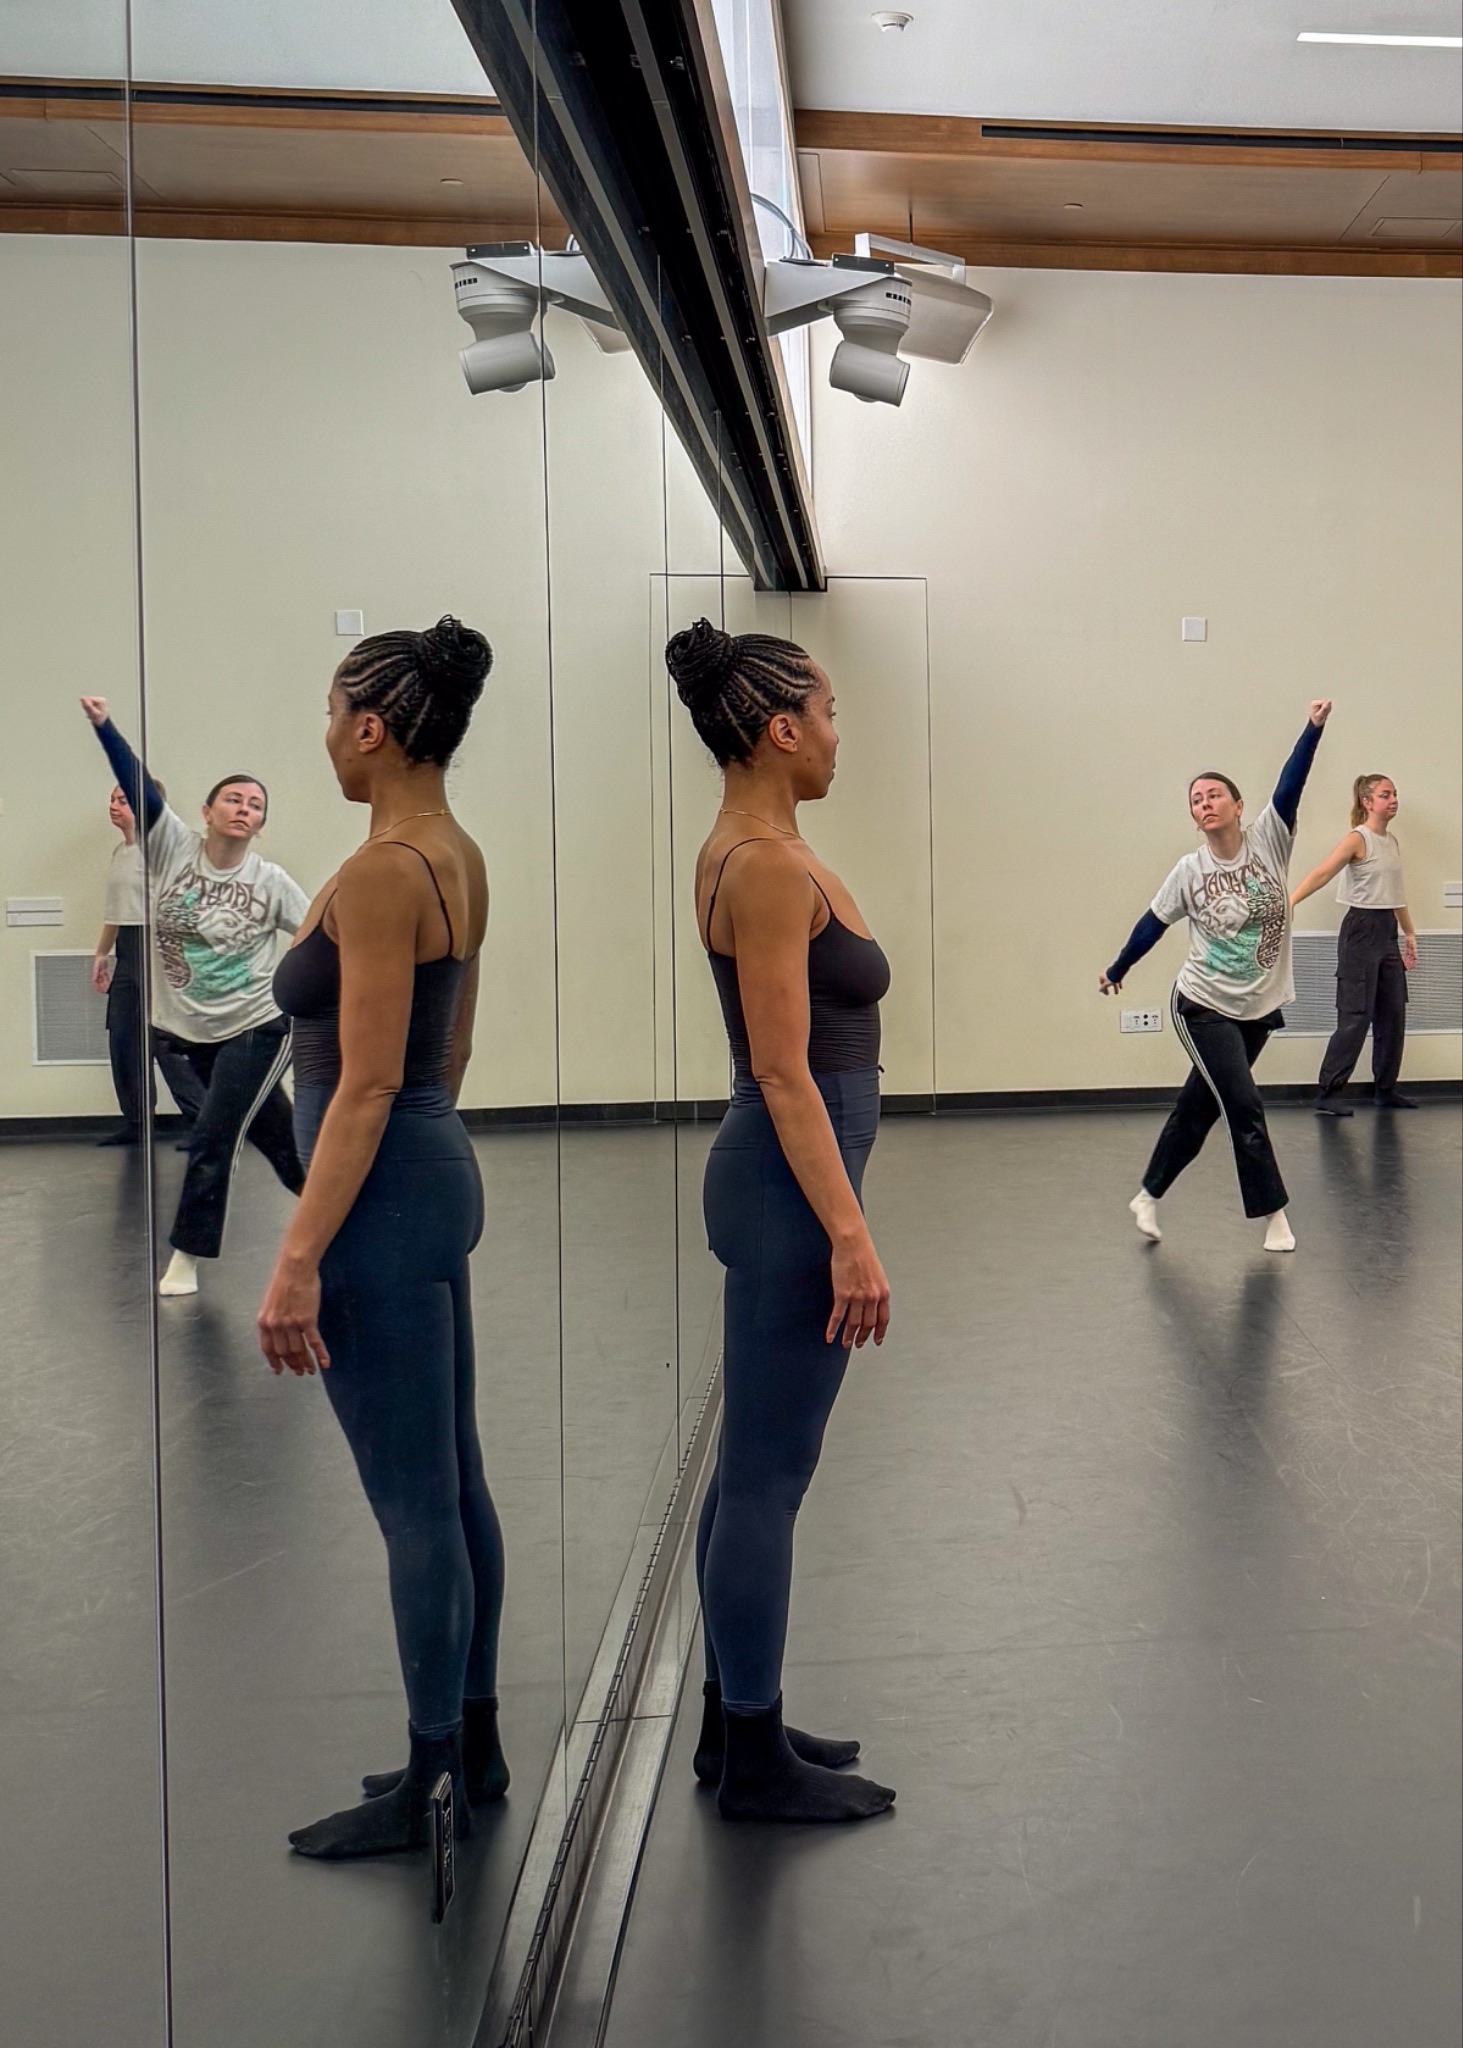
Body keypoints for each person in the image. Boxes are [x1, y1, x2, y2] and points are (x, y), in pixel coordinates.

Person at [259, 617, 507, 1862]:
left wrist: (298, 1253)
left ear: (372, 727)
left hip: (378, 1195)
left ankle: (425, 1779)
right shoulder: (449, 851)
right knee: (452, 1479)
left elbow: (357, 1087)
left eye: (329, 710)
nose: (322, 735)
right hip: (432, 1167)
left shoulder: (375, 873)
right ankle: (474, 1737)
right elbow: (441, 1056)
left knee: (413, 1500)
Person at [666, 616, 895, 1825]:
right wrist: (847, 1230)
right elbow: (784, 1069)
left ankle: (733, 1713)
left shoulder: (770, 847)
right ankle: (749, 1756)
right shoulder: (757, 862)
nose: (838, 735)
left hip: (787, 1181)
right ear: (779, 728)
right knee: (768, 1474)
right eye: (831, 713)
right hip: (786, 1185)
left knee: (751, 1464)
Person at [80, 699, 308, 1294]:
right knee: (279, 1143)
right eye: (234, 798)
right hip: (189, 1034)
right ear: (206, 811)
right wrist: (106, 728)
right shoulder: (172, 849)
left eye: (256, 804)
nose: (244, 808)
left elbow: (318, 943)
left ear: (260, 824)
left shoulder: (271, 882)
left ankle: (185, 1255)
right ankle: (341, 1217)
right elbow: (136, 784)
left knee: (213, 1134)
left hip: (257, 1028)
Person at [1099, 701, 1333, 1254]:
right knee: (1244, 1104)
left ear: (1238, 805)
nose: (1205, 803)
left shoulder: (1270, 839)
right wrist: (1118, 968)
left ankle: (1148, 1193)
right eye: (1196, 800)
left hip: (1257, 1006)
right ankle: (1275, 1217)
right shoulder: (1190, 871)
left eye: (1214, 795)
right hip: (1202, 1004)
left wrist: (1312, 729)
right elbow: (1151, 924)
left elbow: (1291, 783)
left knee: (1199, 1108)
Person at [1291, 774, 1418, 1116]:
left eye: (1394, 794)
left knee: (1393, 1015)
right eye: (1385, 794)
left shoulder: (1391, 841)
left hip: (1387, 931)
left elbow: (1396, 895)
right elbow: (1322, 873)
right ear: (1367, 802)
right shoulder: (1356, 839)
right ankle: (1328, 1092)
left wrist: (1409, 934)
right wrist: (1290, 902)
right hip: (1360, 931)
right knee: (1355, 1017)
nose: (1393, 800)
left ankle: (1385, 1090)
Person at [92, 783, 206, 1148]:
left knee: (165, 1038)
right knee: (123, 1037)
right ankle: (138, 1122)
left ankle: (202, 1123)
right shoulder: (120, 852)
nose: (114, 806)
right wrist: (102, 953)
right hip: (127, 948)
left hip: (158, 946)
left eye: (123, 800)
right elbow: (116, 911)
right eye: (112, 799)